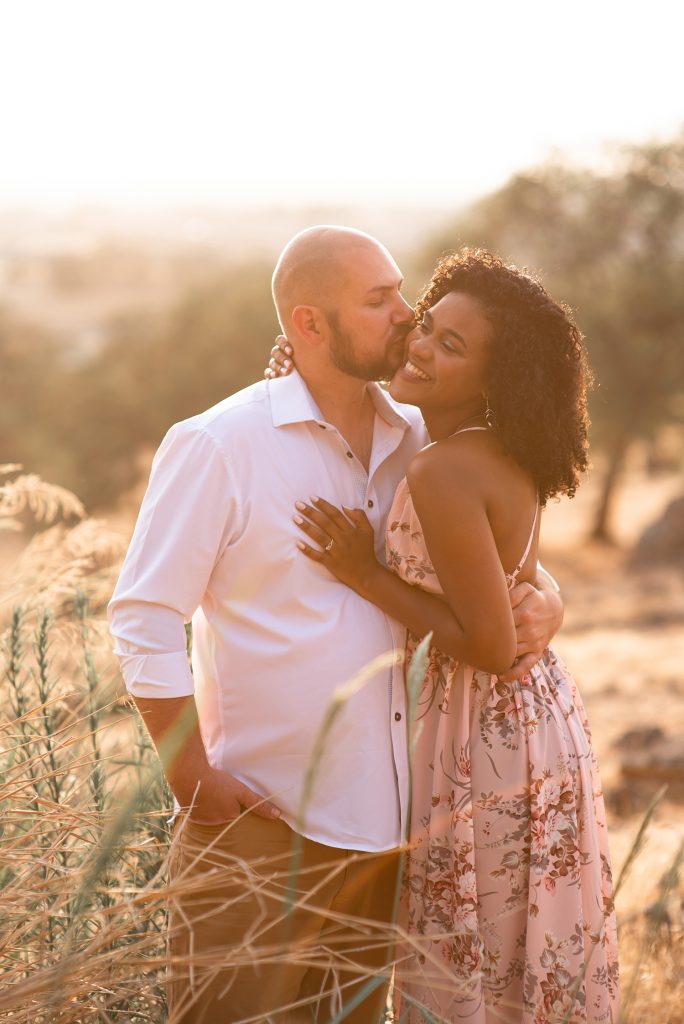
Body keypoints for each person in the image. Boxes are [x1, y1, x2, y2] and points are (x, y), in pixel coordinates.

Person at [108, 227, 563, 1024]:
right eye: (379, 300)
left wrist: (550, 598)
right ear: (310, 325)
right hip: (260, 822)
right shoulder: (221, 444)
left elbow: (493, 553)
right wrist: (190, 779)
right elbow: (145, 616)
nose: (406, 311)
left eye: (401, 290)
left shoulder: (417, 436)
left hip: (393, 834)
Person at [290, 249, 620, 1023]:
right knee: (519, 960)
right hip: (534, 722)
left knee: (472, 962)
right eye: (427, 328)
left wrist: (364, 573)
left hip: (485, 730)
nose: (421, 349)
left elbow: (489, 642)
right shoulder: (496, 448)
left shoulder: (443, 470)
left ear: (494, 379)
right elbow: (521, 591)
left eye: (452, 347)